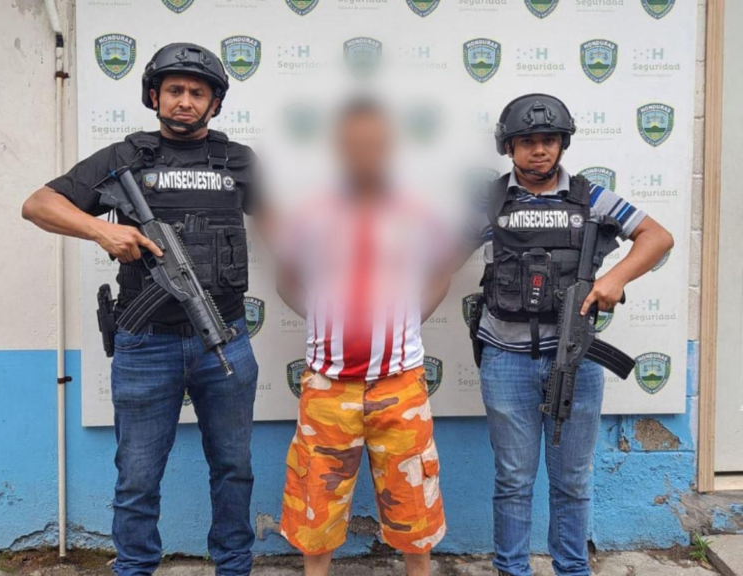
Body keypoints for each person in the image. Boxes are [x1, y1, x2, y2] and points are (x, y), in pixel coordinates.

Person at [22, 43, 267, 576]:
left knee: (234, 467)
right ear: (154, 96)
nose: (185, 101)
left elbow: (281, 223)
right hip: (145, 342)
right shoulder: (125, 157)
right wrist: (102, 230)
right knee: (137, 476)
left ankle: (234, 566)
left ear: (215, 103)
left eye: (197, 92)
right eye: (174, 90)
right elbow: (38, 204)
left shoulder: (239, 161)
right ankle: (134, 567)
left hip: (225, 339)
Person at [455, 94, 674, 576]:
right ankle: (511, 569)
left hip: (576, 357)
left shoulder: (589, 197)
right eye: (527, 141)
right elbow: (443, 254)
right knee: (513, 480)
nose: (539, 150)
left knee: (572, 480)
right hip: (506, 360)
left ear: (562, 144)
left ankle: (573, 569)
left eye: (549, 140)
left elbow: (657, 237)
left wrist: (613, 278)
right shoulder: (491, 200)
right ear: (508, 147)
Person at [275, 99, 450, 576]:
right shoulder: (310, 213)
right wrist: (329, 317)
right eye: (355, 143)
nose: (364, 152)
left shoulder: (417, 211)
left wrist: (409, 321)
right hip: (327, 387)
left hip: (401, 385)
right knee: (316, 502)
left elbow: (441, 272)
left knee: (413, 500)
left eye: (374, 143)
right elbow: (286, 278)